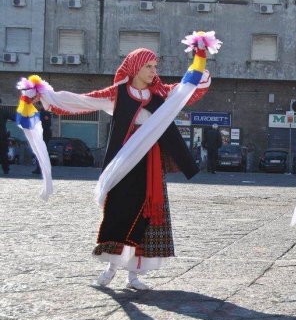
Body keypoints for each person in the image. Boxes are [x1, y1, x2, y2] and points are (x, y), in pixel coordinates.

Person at [40, 46, 211, 290]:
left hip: (150, 162)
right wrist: (46, 95)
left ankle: (134, 274)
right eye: (148, 66)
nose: (154, 71)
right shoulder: (118, 94)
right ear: (135, 68)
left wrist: (200, 54)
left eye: (155, 66)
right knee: (117, 211)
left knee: (147, 214)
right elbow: (83, 101)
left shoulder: (161, 94)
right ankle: (110, 267)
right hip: (123, 161)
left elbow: (190, 86)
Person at [31, 105, 52, 174]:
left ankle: (40, 168)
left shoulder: (42, 113)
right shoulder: (46, 113)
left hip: (42, 134)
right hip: (45, 134)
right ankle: (42, 168)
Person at [0, 97, 13, 175]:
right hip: (2, 136)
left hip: (3, 136)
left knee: (4, 154)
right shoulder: (4, 112)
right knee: (4, 154)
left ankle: (6, 169)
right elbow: (14, 117)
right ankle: (6, 170)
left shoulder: (4, 112)